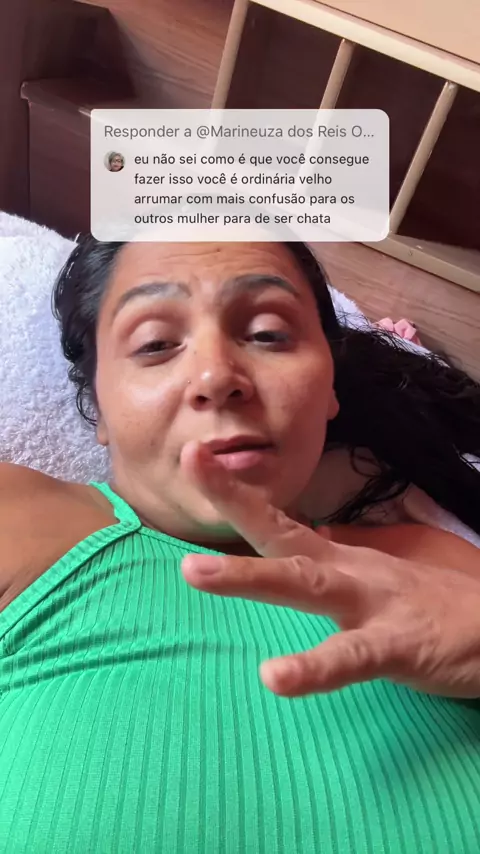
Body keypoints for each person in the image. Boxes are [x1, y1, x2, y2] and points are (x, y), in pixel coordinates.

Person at [0, 236, 479, 853]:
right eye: (155, 343)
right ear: (99, 404)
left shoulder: (430, 566)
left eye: (269, 333)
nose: (216, 376)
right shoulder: (22, 521)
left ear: (329, 387)